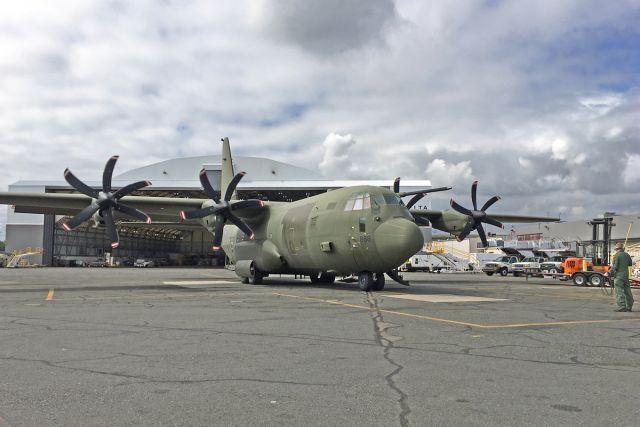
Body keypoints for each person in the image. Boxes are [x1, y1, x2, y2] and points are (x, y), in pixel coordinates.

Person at [608, 242, 634, 312]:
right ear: (623, 248)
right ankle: (629, 306)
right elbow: (630, 264)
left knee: (619, 291)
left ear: (617, 249)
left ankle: (622, 306)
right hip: (626, 276)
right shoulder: (627, 255)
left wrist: (609, 272)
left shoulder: (617, 255)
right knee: (627, 291)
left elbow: (615, 267)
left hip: (619, 276)